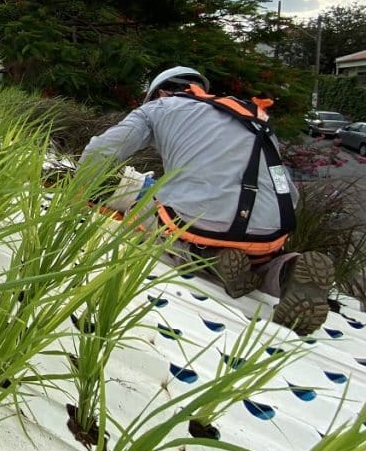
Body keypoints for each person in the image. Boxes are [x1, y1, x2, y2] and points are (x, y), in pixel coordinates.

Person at [79, 66, 334, 336]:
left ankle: (204, 256)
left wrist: (81, 189)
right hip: (273, 226)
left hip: (205, 224)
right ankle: (285, 268)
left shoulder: (159, 107)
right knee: (261, 256)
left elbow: (101, 151)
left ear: (160, 93)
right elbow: (280, 179)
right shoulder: (251, 113)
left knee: (141, 214)